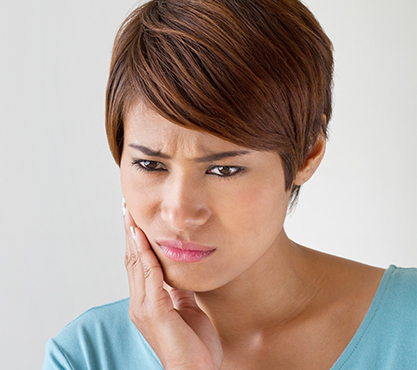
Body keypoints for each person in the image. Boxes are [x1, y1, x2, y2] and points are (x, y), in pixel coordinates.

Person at [42, 0, 417, 369]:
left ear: (307, 153)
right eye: (150, 164)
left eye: (223, 170)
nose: (179, 212)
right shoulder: (85, 356)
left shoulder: (409, 323)